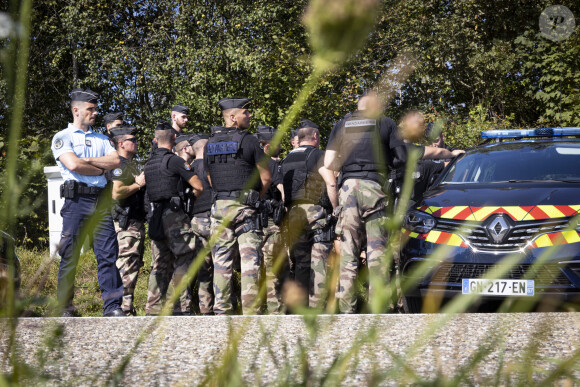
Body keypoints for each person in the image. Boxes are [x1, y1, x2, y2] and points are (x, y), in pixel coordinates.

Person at [324, 91, 407, 314]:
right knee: (377, 253)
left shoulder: (341, 124)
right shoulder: (386, 123)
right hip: (375, 189)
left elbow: (329, 162)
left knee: (348, 252)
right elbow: (402, 158)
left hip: (348, 190)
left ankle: (346, 309)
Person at [51, 88, 124, 317]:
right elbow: (73, 165)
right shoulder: (63, 137)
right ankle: (65, 308)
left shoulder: (102, 139)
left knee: (107, 254)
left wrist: (91, 161)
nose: (94, 113)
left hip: (100, 203)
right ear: (76, 110)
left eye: (95, 109)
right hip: (76, 202)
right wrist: (100, 167)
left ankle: (112, 307)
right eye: (90, 109)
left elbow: (115, 160)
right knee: (70, 255)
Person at [205, 97, 272, 315]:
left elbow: (209, 178)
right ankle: (250, 312)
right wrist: (253, 197)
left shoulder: (209, 143)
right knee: (249, 258)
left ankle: (221, 311)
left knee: (221, 260)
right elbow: (266, 177)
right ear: (233, 117)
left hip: (219, 207)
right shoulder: (249, 140)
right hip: (244, 207)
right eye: (246, 112)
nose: (250, 115)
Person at [144, 122, 203, 316]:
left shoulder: (149, 164)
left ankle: (152, 307)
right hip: (173, 215)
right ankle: (178, 306)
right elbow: (198, 186)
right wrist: (190, 200)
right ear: (174, 138)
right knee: (184, 256)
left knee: (160, 262)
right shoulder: (176, 161)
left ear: (155, 140)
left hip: (155, 215)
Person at [281, 119, 338, 308]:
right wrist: (336, 208)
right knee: (319, 259)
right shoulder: (317, 154)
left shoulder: (287, 158)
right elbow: (330, 182)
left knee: (300, 261)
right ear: (315, 136)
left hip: (294, 213)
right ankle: (316, 307)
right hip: (315, 211)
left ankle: (299, 307)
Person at [109, 125, 146, 316]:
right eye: (133, 140)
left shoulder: (130, 164)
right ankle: (121, 307)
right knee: (125, 265)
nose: (136, 143)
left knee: (133, 264)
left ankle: (127, 307)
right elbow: (117, 193)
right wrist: (138, 184)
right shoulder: (118, 164)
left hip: (135, 221)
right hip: (125, 223)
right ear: (121, 143)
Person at [255, 125, 286, 314]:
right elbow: (280, 188)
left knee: (254, 266)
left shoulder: (249, 162)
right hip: (270, 222)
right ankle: (275, 310)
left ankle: (255, 307)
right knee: (273, 267)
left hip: (251, 221)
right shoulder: (271, 164)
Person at [187, 133, 214, 314]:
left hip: (195, 220)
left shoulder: (187, 170)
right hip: (213, 219)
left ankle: (204, 309)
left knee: (202, 267)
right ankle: (222, 307)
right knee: (220, 266)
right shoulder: (213, 168)